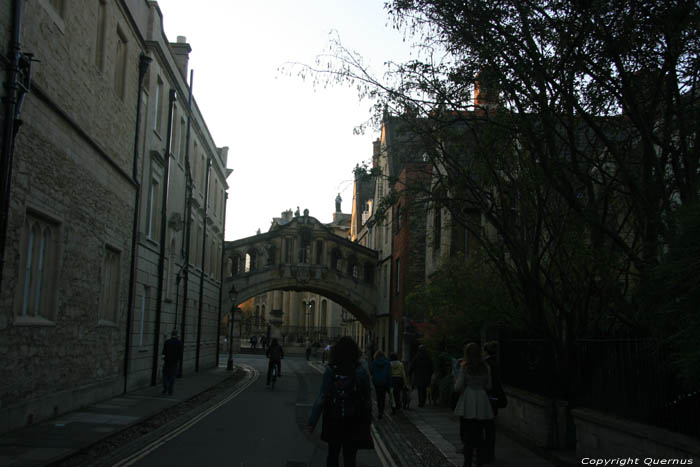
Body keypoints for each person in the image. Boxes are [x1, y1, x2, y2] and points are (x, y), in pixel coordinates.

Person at [308, 336, 373, 467]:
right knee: (350, 457)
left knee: (333, 454)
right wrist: (368, 420)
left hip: (334, 418)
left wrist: (312, 422)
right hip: (354, 419)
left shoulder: (331, 370)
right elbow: (367, 398)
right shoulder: (361, 370)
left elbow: (322, 397)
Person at [454, 342, 494, 467]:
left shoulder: (465, 366)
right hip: (482, 401)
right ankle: (480, 462)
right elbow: (489, 386)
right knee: (480, 435)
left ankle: (467, 462)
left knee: (468, 436)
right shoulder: (486, 367)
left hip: (468, 400)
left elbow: (458, 387)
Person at [483, 341, 504, 464]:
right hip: (495, 398)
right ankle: (490, 453)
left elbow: (488, 384)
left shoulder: (487, 364)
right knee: (491, 427)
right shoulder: (498, 362)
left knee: (485, 427)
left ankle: (486, 453)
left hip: (488, 398)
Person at [369, 350, 392, 419]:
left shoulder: (374, 363)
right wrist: (389, 382)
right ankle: (381, 411)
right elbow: (389, 373)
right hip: (384, 382)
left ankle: (380, 411)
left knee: (378, 397)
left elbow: (371, 371)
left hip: (377, 382)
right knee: (383, 397)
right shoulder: (387, 363)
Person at [162, 329, 183, 396]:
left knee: (165, 375)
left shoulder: (167, 342)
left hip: (167, 361)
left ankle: (165, 387)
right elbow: (180, 354)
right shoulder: (179, 343)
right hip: (174, 362)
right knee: (172, 376)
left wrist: (164, 359)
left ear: (171, 334)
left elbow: (163, 352)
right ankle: (170, 389)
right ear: (177, 335)